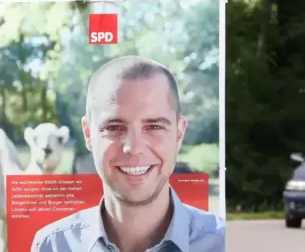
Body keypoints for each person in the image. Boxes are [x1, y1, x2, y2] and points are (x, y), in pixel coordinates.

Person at [31, 56, 224, 252]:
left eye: (154, 126)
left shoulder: (225, 244)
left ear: (179, 133)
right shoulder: (53, 246)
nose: (133, 147)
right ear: (88, 134)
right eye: (114, 127)